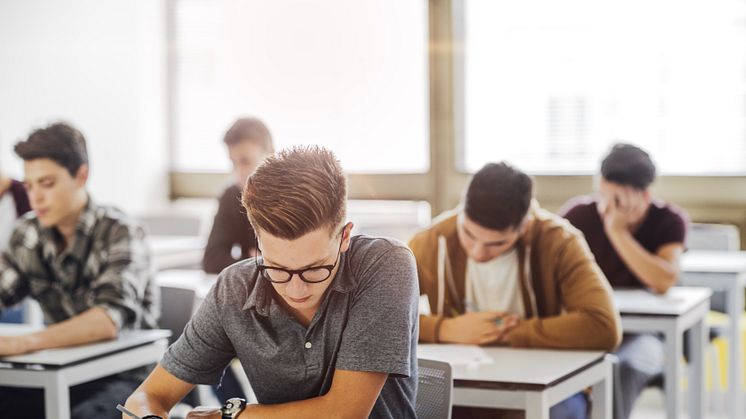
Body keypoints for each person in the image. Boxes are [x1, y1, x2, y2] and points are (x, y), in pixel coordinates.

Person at [124, 146, 419, 419]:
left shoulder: (385, 264)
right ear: (257, 240)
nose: (296, 290)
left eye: (315, 269)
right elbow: (146, 397)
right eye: (276, 268)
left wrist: (233, 416)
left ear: (344, 236)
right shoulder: (234, 288)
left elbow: (343, 414)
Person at [409, 162, 621, 419]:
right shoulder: (432, 241)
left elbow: (603, 326)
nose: (478, 252)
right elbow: (383, 318)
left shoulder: (560, 241)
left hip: (545, 384)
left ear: (526, 226)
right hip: (464, 387)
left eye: (496, 244)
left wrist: (504, 333)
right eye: (469, 235)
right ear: (462, 211)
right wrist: (445, 329)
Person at [0, 122, 159, 418]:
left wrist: (22, 342)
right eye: (29, 186)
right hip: (60, 371)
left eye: (47, 184)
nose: (36, 197)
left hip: (128, 377)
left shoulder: (120, 231)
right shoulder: (26, 234)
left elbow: (106, 320)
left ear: (81, 175)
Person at [560, 143, 688, 419]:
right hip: (590, 325)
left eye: (621, 200)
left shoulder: (669, 220)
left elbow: (664, 280)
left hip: (646, 332)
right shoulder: (578, 215)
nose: (610, 206)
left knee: (624, 366)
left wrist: (618, 232)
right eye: (606, 195)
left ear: (645, 195)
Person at [203, 117, 274, 274]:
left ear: (270, 155)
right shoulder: (232, 195)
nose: (238, 172)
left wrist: (259, 261)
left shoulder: (297, 195)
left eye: (245, 161)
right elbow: (212, 260)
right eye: (233, 163)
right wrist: (257, 262)